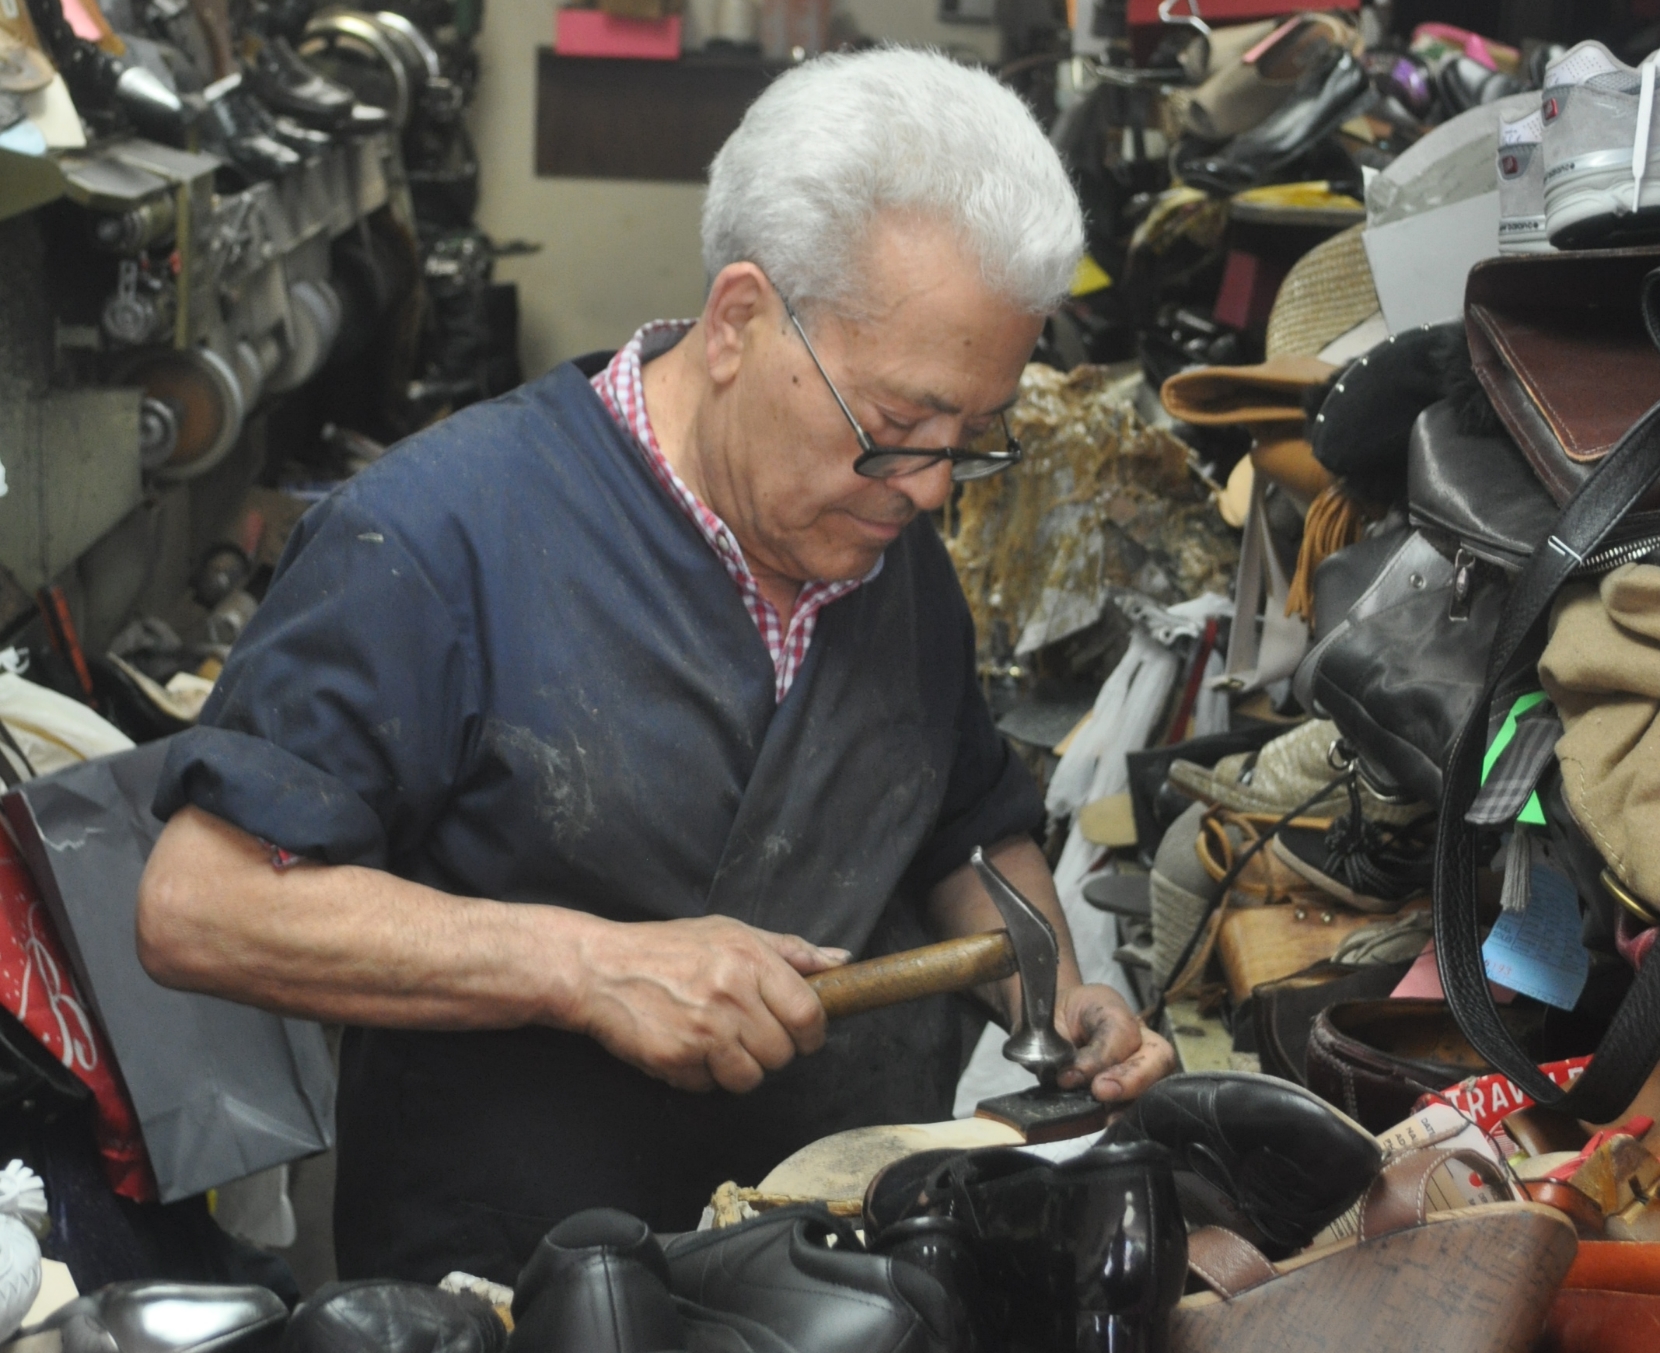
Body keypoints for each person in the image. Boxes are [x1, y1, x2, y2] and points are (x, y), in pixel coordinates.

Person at [135, 46, 1176, 1284]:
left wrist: (1049, 999)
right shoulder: (433, 538)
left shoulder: (887, 551)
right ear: (738, 320)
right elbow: (203, 907)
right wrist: (589, 963)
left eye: (972, 438)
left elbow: (967, 827)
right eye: (896, 431)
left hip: (834, 1274)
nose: (935, 487)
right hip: (519, 1284)